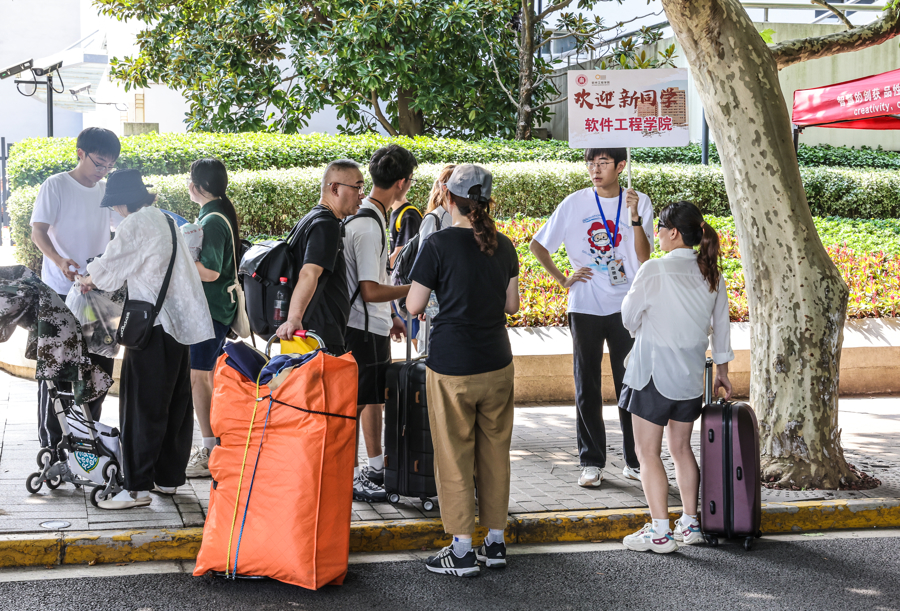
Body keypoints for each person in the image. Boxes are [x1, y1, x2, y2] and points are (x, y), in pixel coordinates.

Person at [407, 164, 520, 577]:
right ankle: (495, 542)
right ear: (487, 202)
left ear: (448, 199)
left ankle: (460, 550)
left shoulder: (437, 244)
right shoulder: (503, 245)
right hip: (497, 362)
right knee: (495, 454)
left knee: (454, 456)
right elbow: (512, 306)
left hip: (452, 365)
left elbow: (414, 305)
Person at [81, 169, 214, 509]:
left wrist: (86, 278)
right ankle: (168, 479)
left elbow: (108, 272)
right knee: (174, 405)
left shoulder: (135, 223)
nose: (115, 212)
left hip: (153, 328)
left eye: (115, 206)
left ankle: (136, 489)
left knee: (141, 408)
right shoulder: (165, 220)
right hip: (180, 327)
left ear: (122, 202)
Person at [530, 148, 653, 488]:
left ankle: (635, 460)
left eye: (603, 163)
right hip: (584, 305)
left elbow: (644, 257)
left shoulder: (639, 201)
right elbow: (538, 245)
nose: (595, 170)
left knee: (630, 383)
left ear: (621, 166)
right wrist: (562, 279)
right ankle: (591, 461)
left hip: (626, 306)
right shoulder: (575, 203)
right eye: (591, 163)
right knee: (587, 384)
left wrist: (634, 217)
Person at [619, 201, 734, 553]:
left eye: (660, 228)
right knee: (681, 449)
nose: (657, 234)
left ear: (672, 233)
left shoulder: (654, 269)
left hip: (652, 374)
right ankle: (689, 522)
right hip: (690, 378)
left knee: (646, 452)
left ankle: (659, 532)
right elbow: (722, 330)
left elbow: (628, 318)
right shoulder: (712, 274)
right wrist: (723, 373)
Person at [29, 127, 122, 459]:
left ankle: (87, 439)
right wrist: (59, 260)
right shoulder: (56, 185)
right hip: (59, 293)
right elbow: (38, 232)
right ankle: (53, 447)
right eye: (99, 163)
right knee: (57, 371)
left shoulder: (107, 191)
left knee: (99, 368)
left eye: (109, 165)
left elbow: (122, 229)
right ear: (80, 153)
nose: (103, 171)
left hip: (97, 294)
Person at [342, 145, 414, 502]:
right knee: (356, 406)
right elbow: (370, 290)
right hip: (363, 329)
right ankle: (351, 477)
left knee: (369, 399)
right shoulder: (370, 227)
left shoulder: (365, 217)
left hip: (368, 325)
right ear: (402, 182)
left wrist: (394, 315)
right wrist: (414, 289)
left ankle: (371, 468)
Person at [184, 159, 242, 478]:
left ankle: (209, 450)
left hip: (210, 311)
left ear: (199, 186)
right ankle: (215, 445)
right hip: (212, 310)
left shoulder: (214, 220)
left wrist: (179, 256)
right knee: (206, 377)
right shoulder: (215, 214)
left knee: (200, 377)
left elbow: (211, 272)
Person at [274, 160, 363, 353]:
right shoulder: (326, 224)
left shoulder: (312, 218)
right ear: (335, 188)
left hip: (313, 331)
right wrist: (294, 318)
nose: (362, 195)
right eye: (358, 187)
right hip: (319, 335)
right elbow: (309, 273)